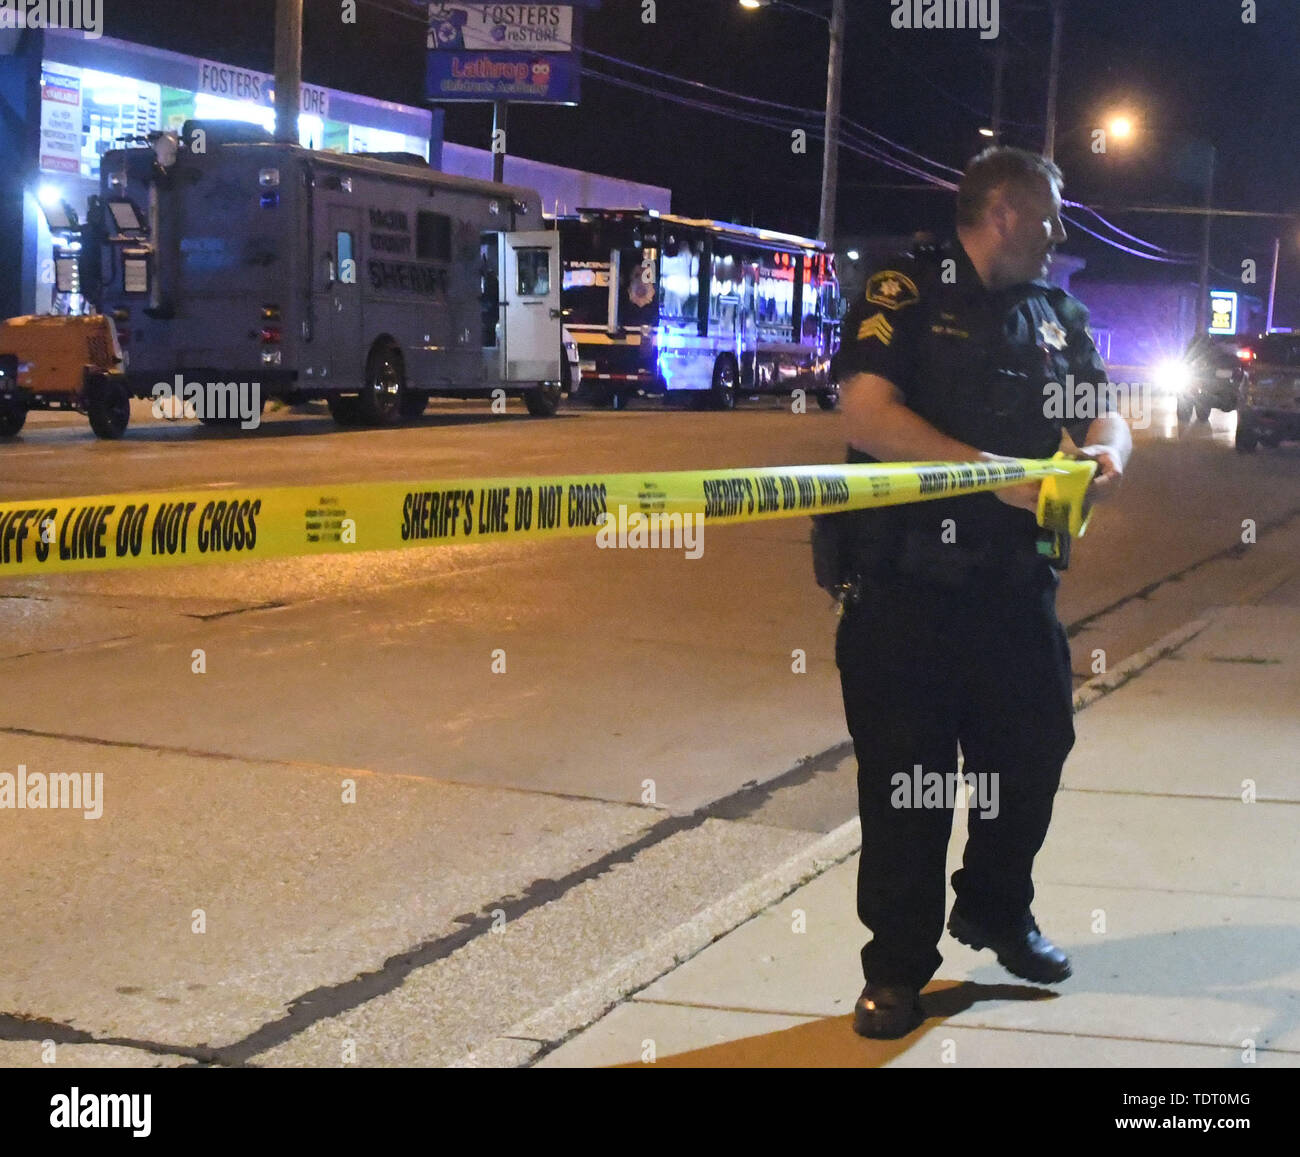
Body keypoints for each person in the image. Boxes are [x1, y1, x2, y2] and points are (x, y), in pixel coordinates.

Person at [830, 147, 1132, 1039]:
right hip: (906, 589)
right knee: (908, 783)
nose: (1061, 235)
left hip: (1013, 587)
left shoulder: (1055, 313)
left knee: (1033, 751)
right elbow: (867, 411)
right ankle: (895, 969)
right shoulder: (906, 289)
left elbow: (1101, 409)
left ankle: (996, 909)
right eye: (1049, 219)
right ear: (1003, 214)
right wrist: (991, 476)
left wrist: (1110, 451)